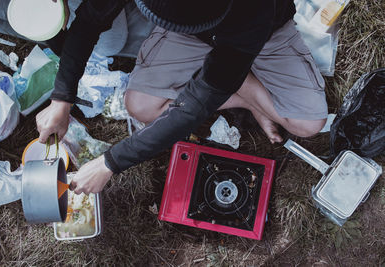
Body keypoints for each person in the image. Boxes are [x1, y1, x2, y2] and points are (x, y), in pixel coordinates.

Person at [36, 0, 328, 195]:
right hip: (189, 35)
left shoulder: (252, 10)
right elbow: (88, 20)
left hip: (264, 35)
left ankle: (231, 80)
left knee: (308, 124)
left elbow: (195, 106)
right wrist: (62, 98)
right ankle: (242, 88)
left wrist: (109, 163)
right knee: (139, 105)